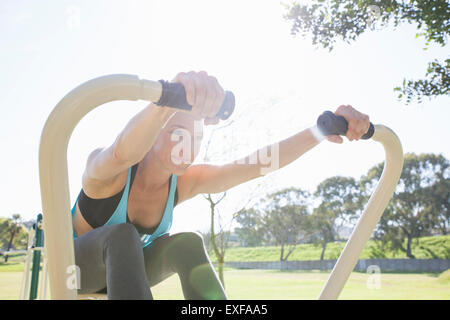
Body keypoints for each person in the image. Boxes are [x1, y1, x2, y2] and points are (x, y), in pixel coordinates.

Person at [70, 70, 371, 300]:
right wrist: (165, 102)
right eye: (178, 133)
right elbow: (122, 151)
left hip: (129, 278)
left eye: (197, 138)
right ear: (155, 130)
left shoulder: (185, 182)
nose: (188, 145)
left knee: (187, 243)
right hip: (78, 272)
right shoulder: (111, 172)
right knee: (123, 237)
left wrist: (319, 131)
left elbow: (257, 164)